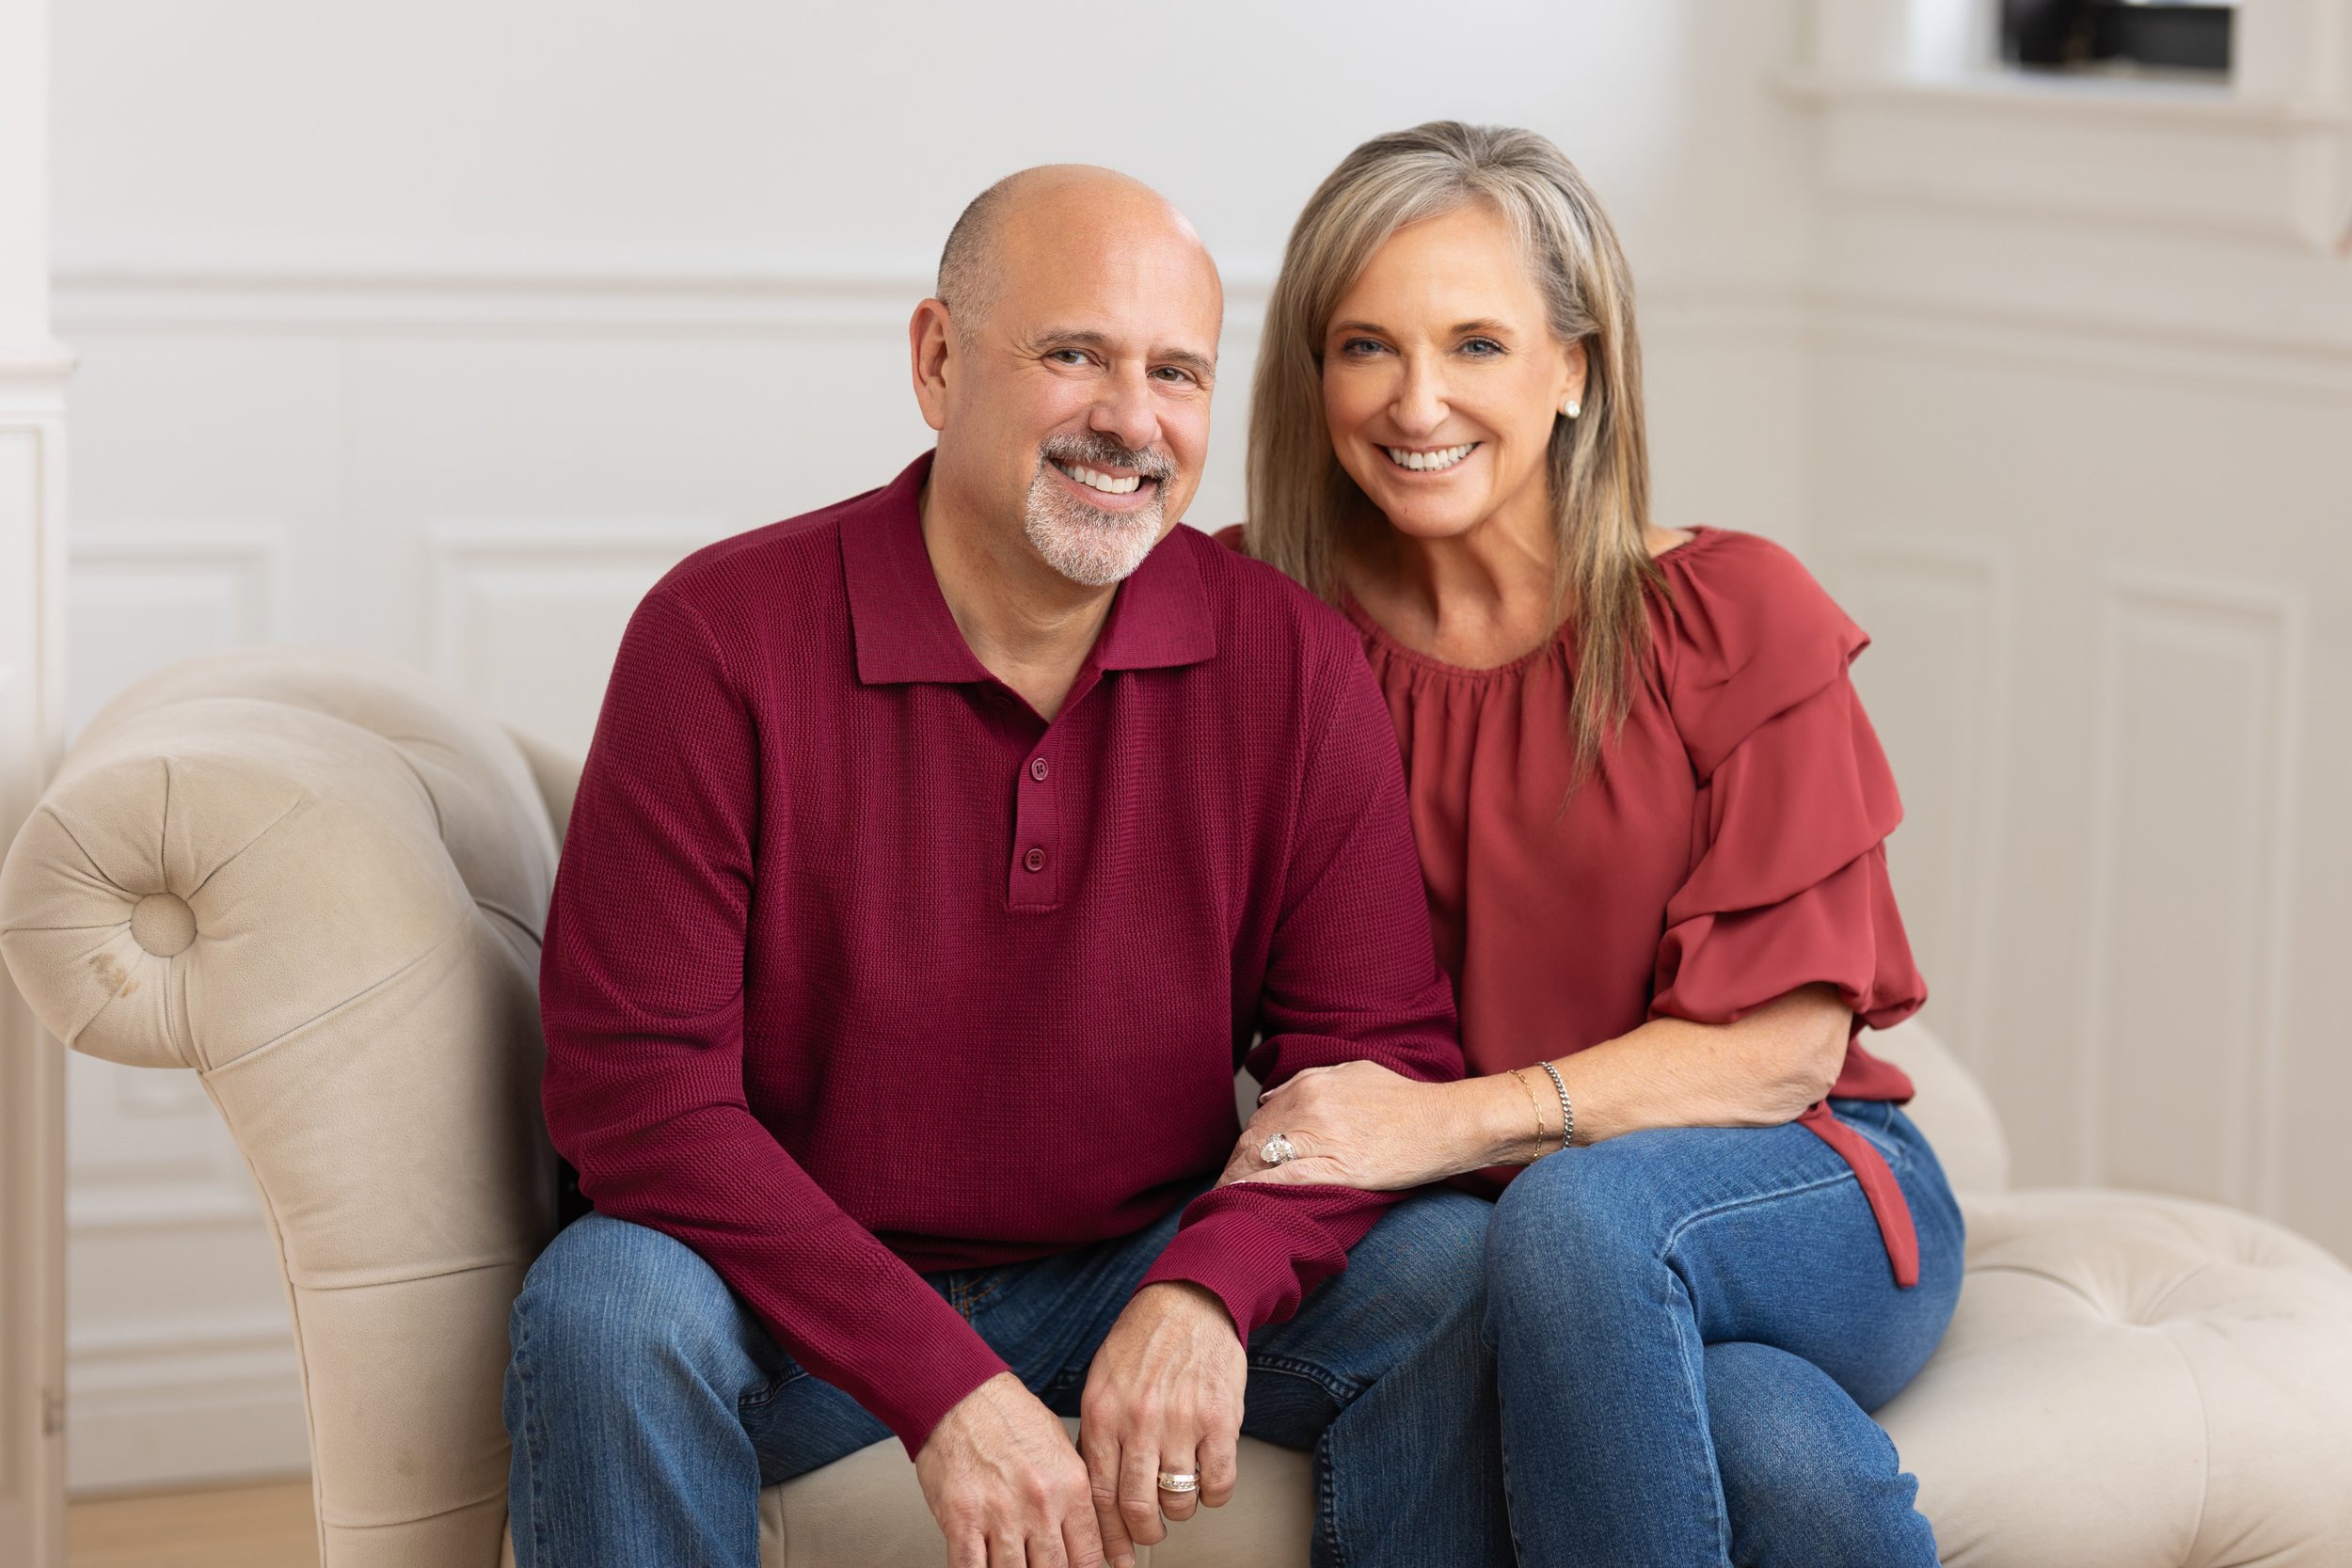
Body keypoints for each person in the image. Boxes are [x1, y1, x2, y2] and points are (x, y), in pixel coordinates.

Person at [502, 164, 1511, 1568]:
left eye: (1176, 373)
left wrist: (1208, 1291)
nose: (1130, 419)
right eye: (1074, 354)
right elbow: (638, 1100)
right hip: (796, 1300)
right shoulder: (719, 639)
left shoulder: (1291, 661)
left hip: (1129, 1265)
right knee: (608, 1303)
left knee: (1455, 1273)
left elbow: (1373, 1058)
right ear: (936, 360)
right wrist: (944, 1385)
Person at [1217, 121, 1965, 1568]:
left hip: (1795, 1182)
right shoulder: (1260, 625)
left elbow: (1782, 1048)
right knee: (1779, 1460)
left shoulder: (1733, 615)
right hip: (1482, 1252)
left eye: (1478, 344)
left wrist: (1439, 1124)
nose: (1415, 399)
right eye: (1364, 345)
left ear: (1576, 367)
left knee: (1569, 1226)